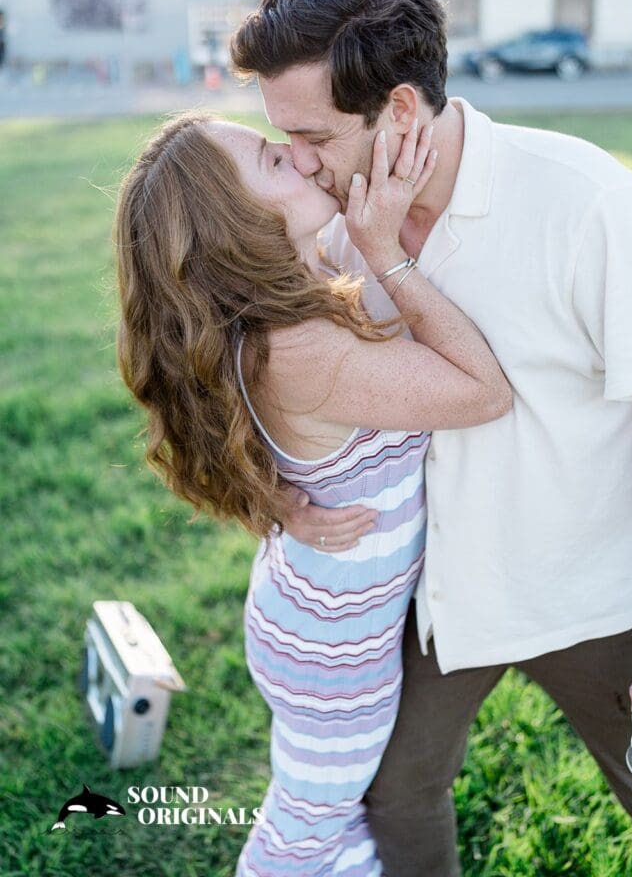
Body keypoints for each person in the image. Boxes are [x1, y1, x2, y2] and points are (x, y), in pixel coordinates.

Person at [229, 0, 632, 876]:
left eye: (312, 134)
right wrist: (274, 492)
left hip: (598, 596)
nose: (297, 161)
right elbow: (236, 374)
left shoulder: (587, 204)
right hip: (431, 599)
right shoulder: (317, 222)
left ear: (397, 108)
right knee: (393, 799)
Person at [113, 110, 511, 876]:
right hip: (335, 650)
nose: (300, 160)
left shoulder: (281, 301)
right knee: (306, 828)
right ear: (239, 224)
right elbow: (482, 394)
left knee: (336, 817)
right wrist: (385, 250)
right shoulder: (298, 349)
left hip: (313, 616)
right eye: (272, 161)